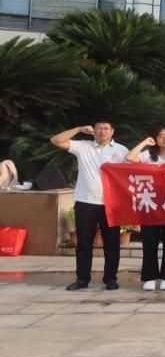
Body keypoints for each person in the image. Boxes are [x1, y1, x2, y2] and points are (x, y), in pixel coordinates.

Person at [52, 120, 129, 291]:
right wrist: (79, 128)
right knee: (84, 243)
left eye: (106, 128)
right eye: (99, 128)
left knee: (112, 244)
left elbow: (132, 169)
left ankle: (110, 278)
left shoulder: (122, 150)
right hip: (85, 202)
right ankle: (82, 279)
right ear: (93, 131)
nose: (103, 131)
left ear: (112, 131)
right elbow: (56, 140)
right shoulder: (83, 146)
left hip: (111, 204)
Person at [127, 126, 165, 291]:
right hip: (149, 204)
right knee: (149, 242)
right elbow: (130, 157)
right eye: (161, 136)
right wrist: (145, 143)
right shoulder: (147, 156)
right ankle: (149, 277)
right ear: (155, 138)